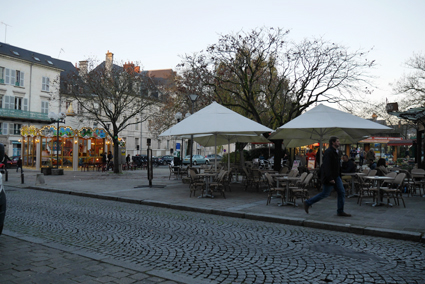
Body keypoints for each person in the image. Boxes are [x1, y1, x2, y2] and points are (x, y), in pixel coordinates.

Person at [304, 136, 351, 217]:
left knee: (342, 192)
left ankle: (340, 211)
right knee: (325, 193)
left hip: (336, 176)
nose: (339, 143)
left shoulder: (337, 152)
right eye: (337, 141)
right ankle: (308, 202)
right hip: (330, 177)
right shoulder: (328, 152)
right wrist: (330, 178)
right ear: (333, 142)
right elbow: (327, 166)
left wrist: (338, 175)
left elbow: (336, 165)